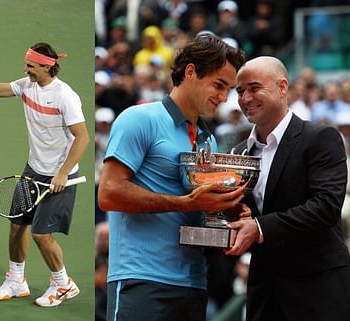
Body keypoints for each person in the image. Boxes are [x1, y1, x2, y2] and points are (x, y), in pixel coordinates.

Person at [97, 34, 247, 321]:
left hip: (193, 285)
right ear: (190, 72)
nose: (224, 97)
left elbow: (201, 215)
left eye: (228, 89)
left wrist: (229, 215)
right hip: (141, 281)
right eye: (218, 85)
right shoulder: (138, 119)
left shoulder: (209, 142)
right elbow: (108, 193)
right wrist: (186, 203)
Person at [0, 35, 89, 307]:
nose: (26, 70)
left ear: (47, 67)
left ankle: (64, 285)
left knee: (41, 234)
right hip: (33, 170)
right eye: (26, 65)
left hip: (60, 175)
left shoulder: (66, 96)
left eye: (30, 66)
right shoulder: (26, 86)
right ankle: (16, 280)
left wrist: (62, 173)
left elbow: (82, 137)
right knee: (17, 226)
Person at [226, 56, 350, 321]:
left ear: (282, 87)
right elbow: (242, 214)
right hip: (264, 293)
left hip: (316, 291)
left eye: (254, 88)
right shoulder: (238, 153)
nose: (245, 98)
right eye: (240, 91)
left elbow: (326, 208)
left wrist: (259, 228)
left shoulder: (320, 139)